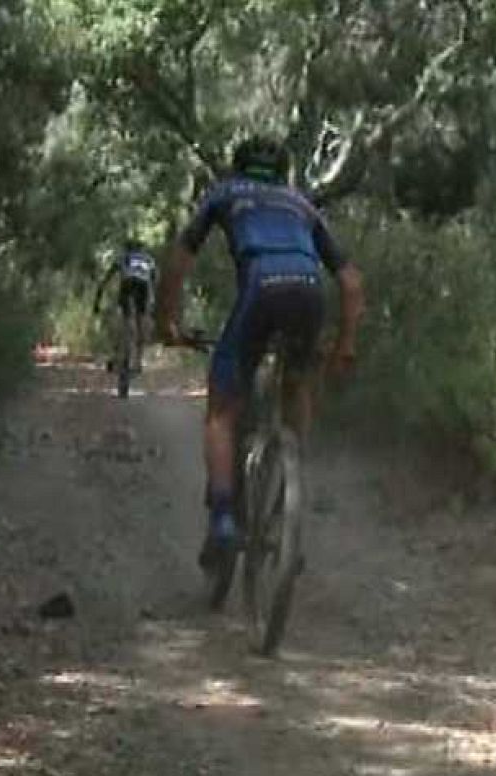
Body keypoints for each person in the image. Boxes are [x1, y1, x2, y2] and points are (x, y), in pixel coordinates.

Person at [156, 136, 366, 567]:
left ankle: (222, 520)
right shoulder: (302, 204)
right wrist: (345, 345)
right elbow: (351, 282)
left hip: (260, 289)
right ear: (282, 173)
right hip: (309, 294)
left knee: (222, 409)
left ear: (238, 167)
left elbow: (178, 260)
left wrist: (168, 323)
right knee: (297, 382)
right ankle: (289, 493)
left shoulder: (224, 192)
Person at [95, 238, 158, 373]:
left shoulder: (124, 257)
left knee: (126, 320)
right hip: (143, 287)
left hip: (128, 284)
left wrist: (97, 301)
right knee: (141, 322)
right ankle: (138, 361)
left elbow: (106, 279)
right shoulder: (149, 259)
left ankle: (122, 354)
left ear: (127, 249)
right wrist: (153, 304)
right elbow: (154, 282)